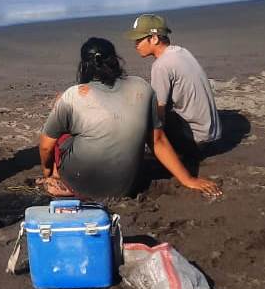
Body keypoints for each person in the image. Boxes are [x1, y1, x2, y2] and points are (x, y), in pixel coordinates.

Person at [38, 38, 221, 199]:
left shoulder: (72, 96)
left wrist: (47, 171)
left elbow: (46, 146)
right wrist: (188, 179)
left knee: (61, 134)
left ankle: (56, 180)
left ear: (84, 65)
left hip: (82, 184)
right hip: (126, 186)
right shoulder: (141, 87)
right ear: (115, 61)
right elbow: (157, 141)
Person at [129, 14, 222, 164]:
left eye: (139, 40)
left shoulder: (161, 66)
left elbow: (159, 113)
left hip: (196, 142)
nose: (135, 45)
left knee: (145, 115)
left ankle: (173, 157)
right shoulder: (181, 52)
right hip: (212, 134)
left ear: (154, 38)